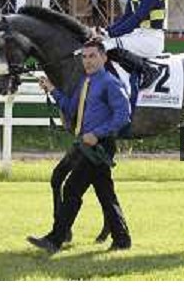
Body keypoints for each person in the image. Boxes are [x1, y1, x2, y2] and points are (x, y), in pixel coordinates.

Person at [27, 39, 132, 254]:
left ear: (104, 57)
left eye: (92, 56)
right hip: (86, 144)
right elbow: (70, 107)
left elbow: (124, 115)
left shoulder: (110, 83)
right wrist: (52, 89)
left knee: (72, 187)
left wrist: (98, 133)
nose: (88, 61)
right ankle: (122, 239)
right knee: (105, 193)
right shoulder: (85, 82)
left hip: (99, 146)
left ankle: (55, 239)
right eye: (84, 57)